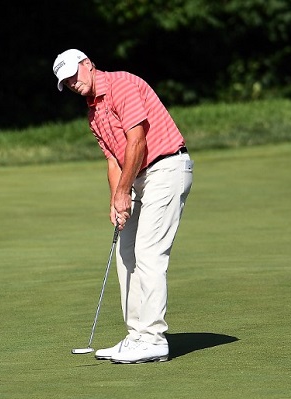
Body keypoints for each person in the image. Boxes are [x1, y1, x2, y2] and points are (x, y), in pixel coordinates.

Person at [53, 49, 194, 364]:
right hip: (138, 176)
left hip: (167, 167)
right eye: (66, 82)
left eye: (74, 75)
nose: (73, 83)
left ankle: (154, 338)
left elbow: (137, 141)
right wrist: (116, 198)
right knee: (126, 253)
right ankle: (137, 336)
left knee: (148, 252)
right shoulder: (93, 113)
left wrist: (124, 189)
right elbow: (113, 160)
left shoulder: (122, 84)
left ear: (88, 65)